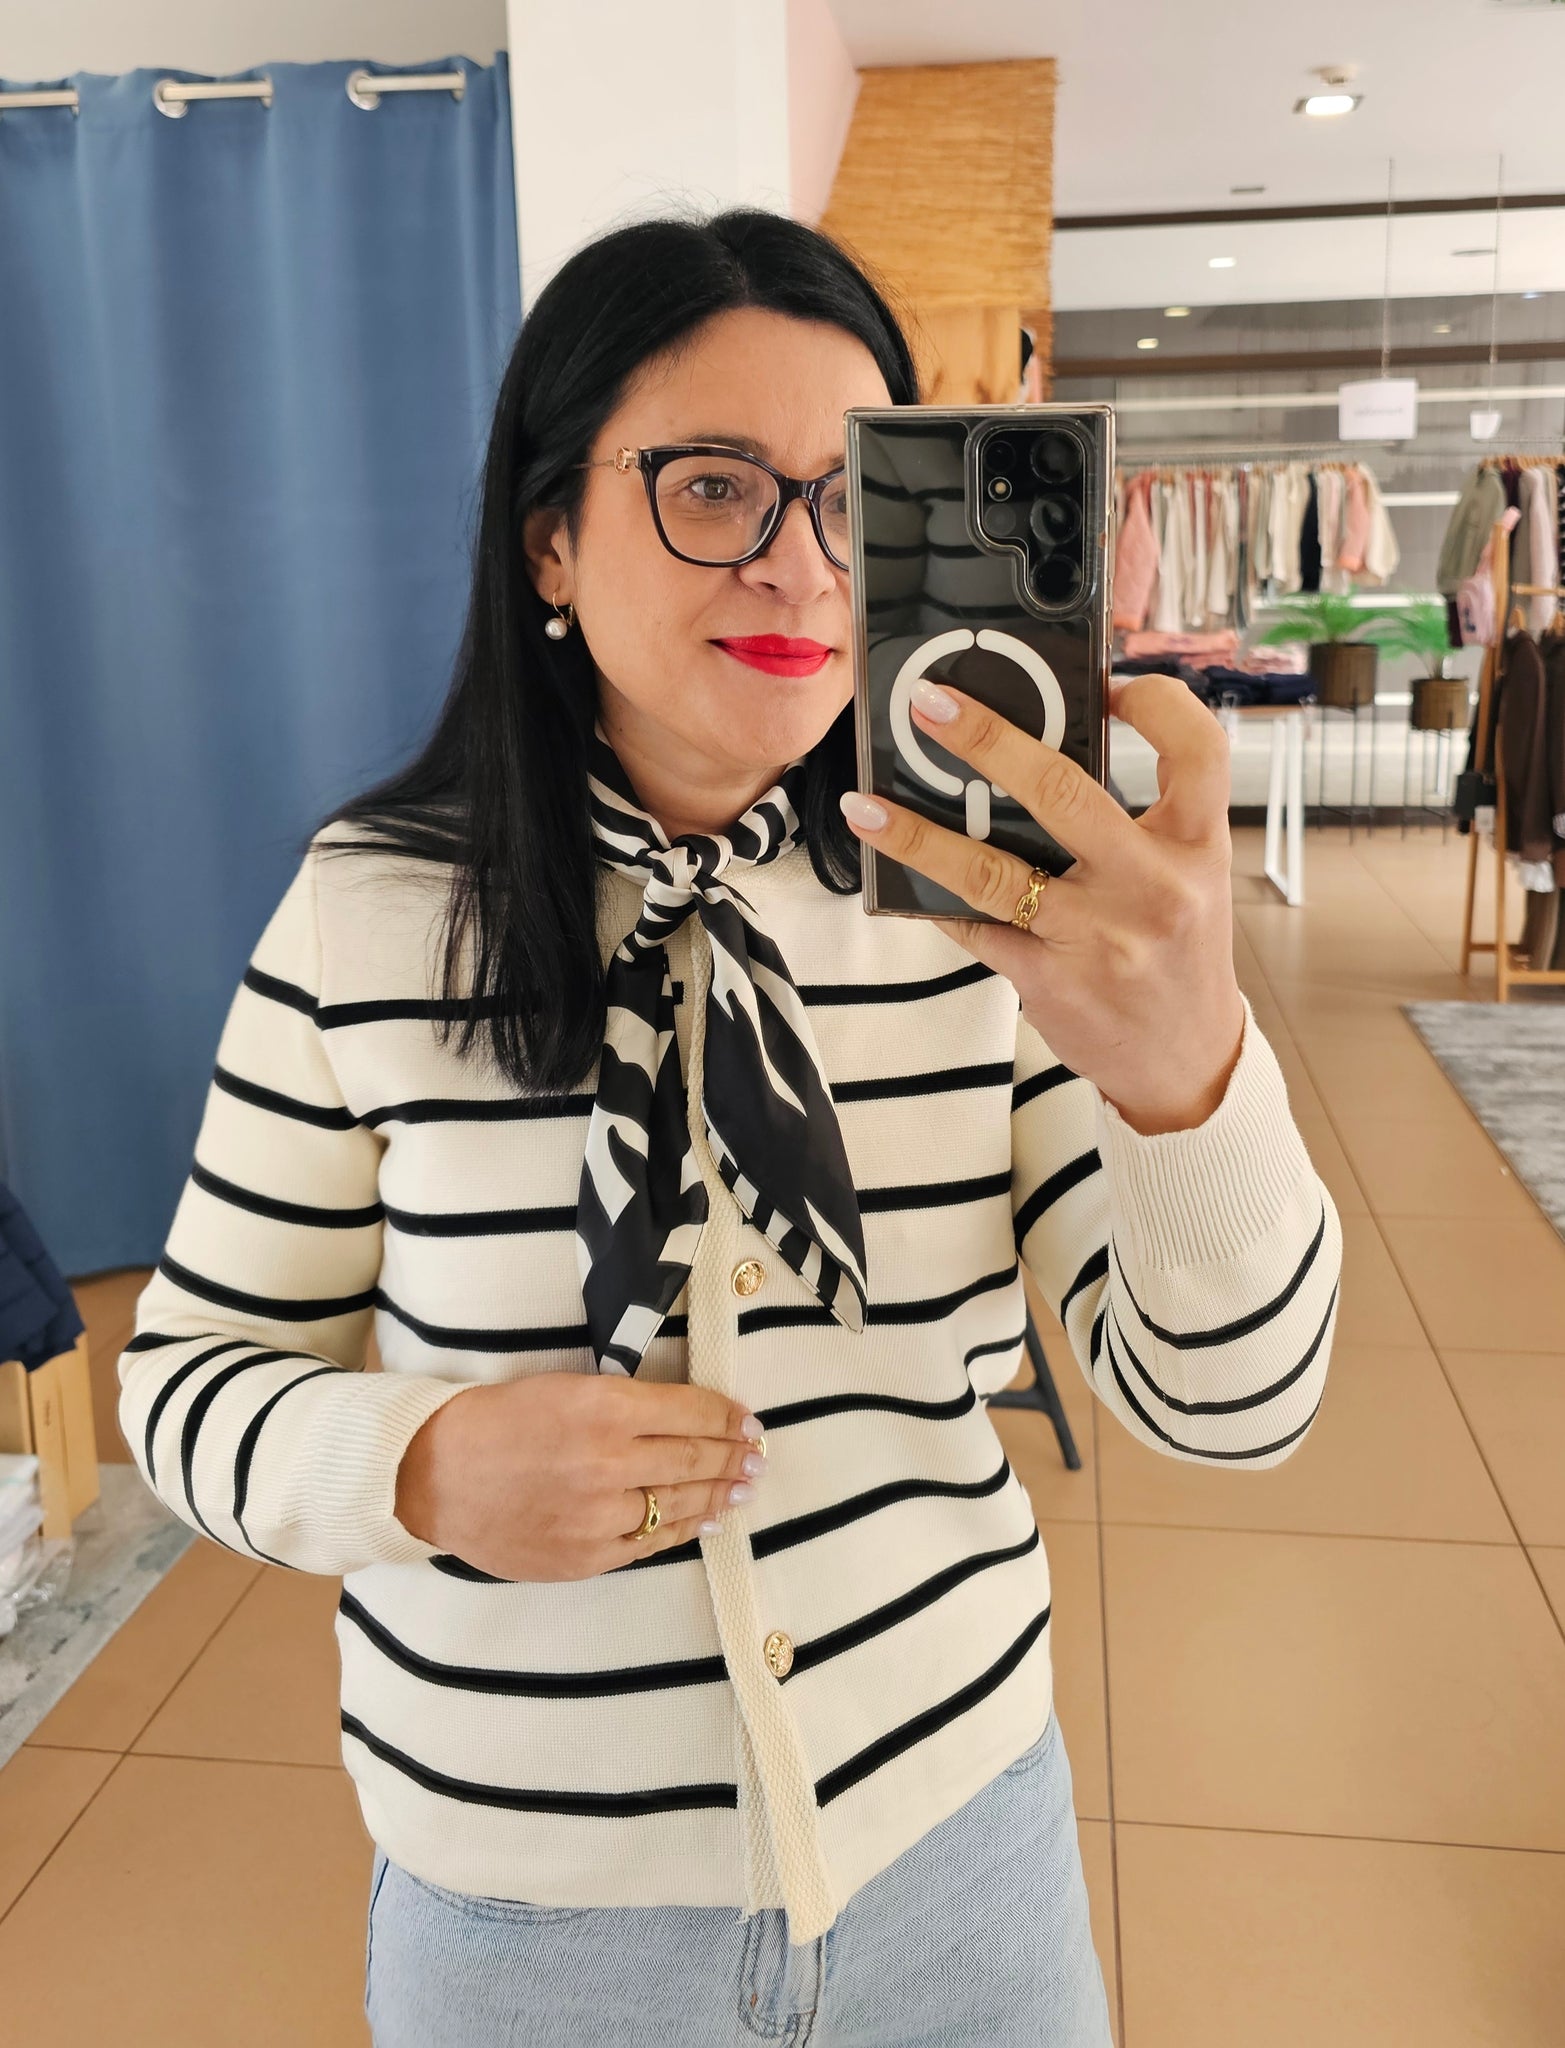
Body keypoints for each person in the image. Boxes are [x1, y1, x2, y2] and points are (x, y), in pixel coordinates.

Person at [119, 208, 1341, 2047]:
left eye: (853, 499)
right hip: (530, 1929)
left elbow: (1232, 1412)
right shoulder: (371, 913)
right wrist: (418, 1466)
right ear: (549, 534)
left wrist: (1192, 1070)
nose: (799, 567)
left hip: (962, 1863)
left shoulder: (990, 912)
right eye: (713, 489)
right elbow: (186, 1379)